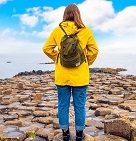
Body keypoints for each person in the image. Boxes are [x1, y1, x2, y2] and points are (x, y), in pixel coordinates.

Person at [42, 4, 98, 141]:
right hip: (80, 77)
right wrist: (86, 63)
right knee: (79, 105)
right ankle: (79, 135)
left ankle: (65, 133)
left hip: (62, 76)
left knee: (62, 105)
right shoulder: (86, 31)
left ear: (65, 15)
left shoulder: (57, 30)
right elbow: (94, 51)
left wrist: (57, 57)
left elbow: (46, 48)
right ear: (78, 14)